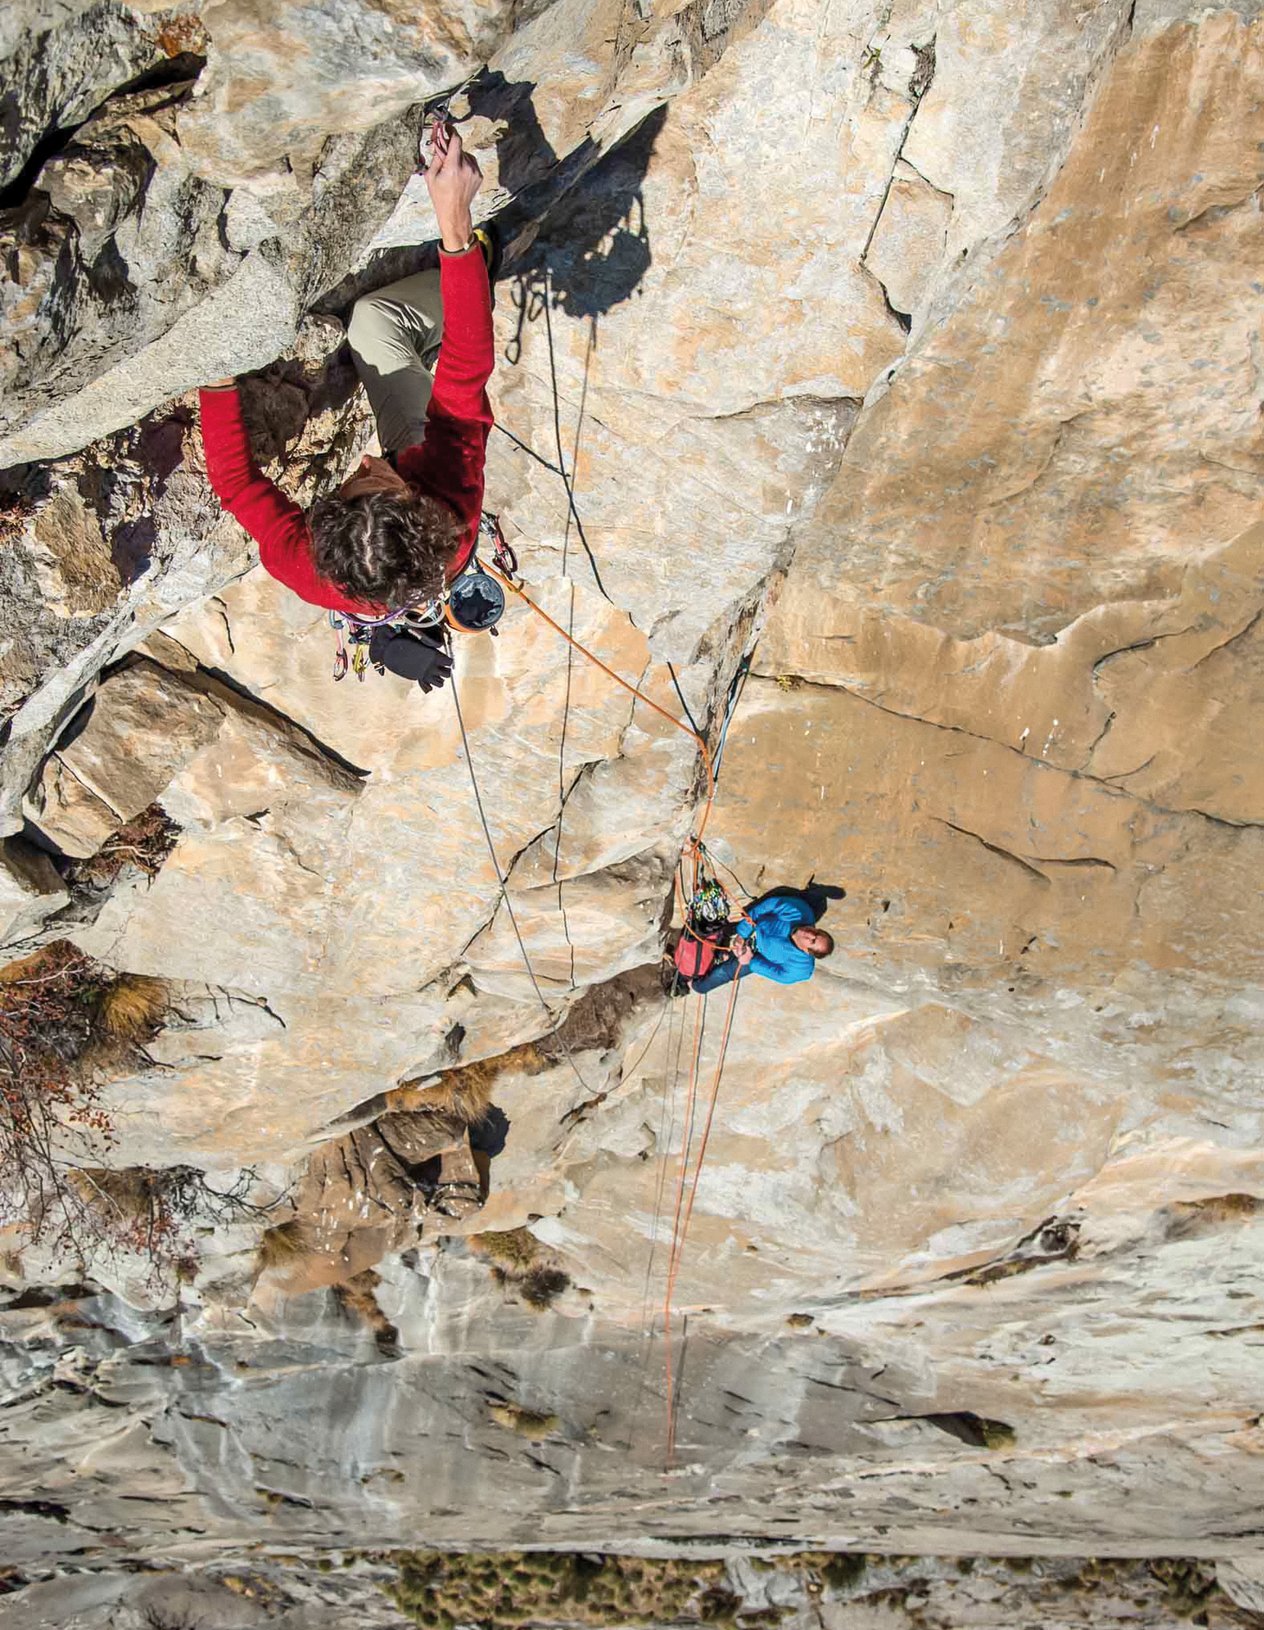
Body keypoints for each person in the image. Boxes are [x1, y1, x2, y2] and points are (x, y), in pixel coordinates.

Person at [197, 118, 493, 693]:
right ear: (414, 500)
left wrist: (214, 372)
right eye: (374, 478)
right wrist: (455, 226)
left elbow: (236, 483)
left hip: (409, 498)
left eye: (350, 485)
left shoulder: (304, 565)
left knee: (373, 330)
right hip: (424, 459)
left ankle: (448, 299)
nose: (363, 463)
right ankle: (479, 272)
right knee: (375, 322)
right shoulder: (452, 500)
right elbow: (467, 368)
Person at [688, 895, 834, 994]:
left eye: (812, 941)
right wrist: (742, 934)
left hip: (759, 956)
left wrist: (751, 961)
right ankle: (715, 952)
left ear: (807, 951)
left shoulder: (800, 968)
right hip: (753, 930)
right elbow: (768, 906)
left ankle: (694, 985)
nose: (810, 934)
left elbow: (779, 974)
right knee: (714, 932)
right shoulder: (798, 912)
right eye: (816, 932)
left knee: (720, 976)